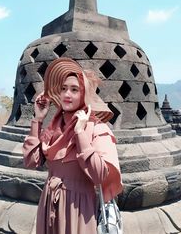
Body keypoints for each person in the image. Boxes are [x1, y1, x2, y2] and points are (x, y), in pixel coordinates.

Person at [23, 57, 123, 234]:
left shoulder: (96, 128)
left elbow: (99, 175)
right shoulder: (53, 128)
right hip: (49, 204)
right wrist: (38, 120)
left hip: (79, 209)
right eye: (63, 88)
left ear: (84, 94)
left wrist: (80, 133)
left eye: (74, 89)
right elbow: (31, 161)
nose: (67, 94)